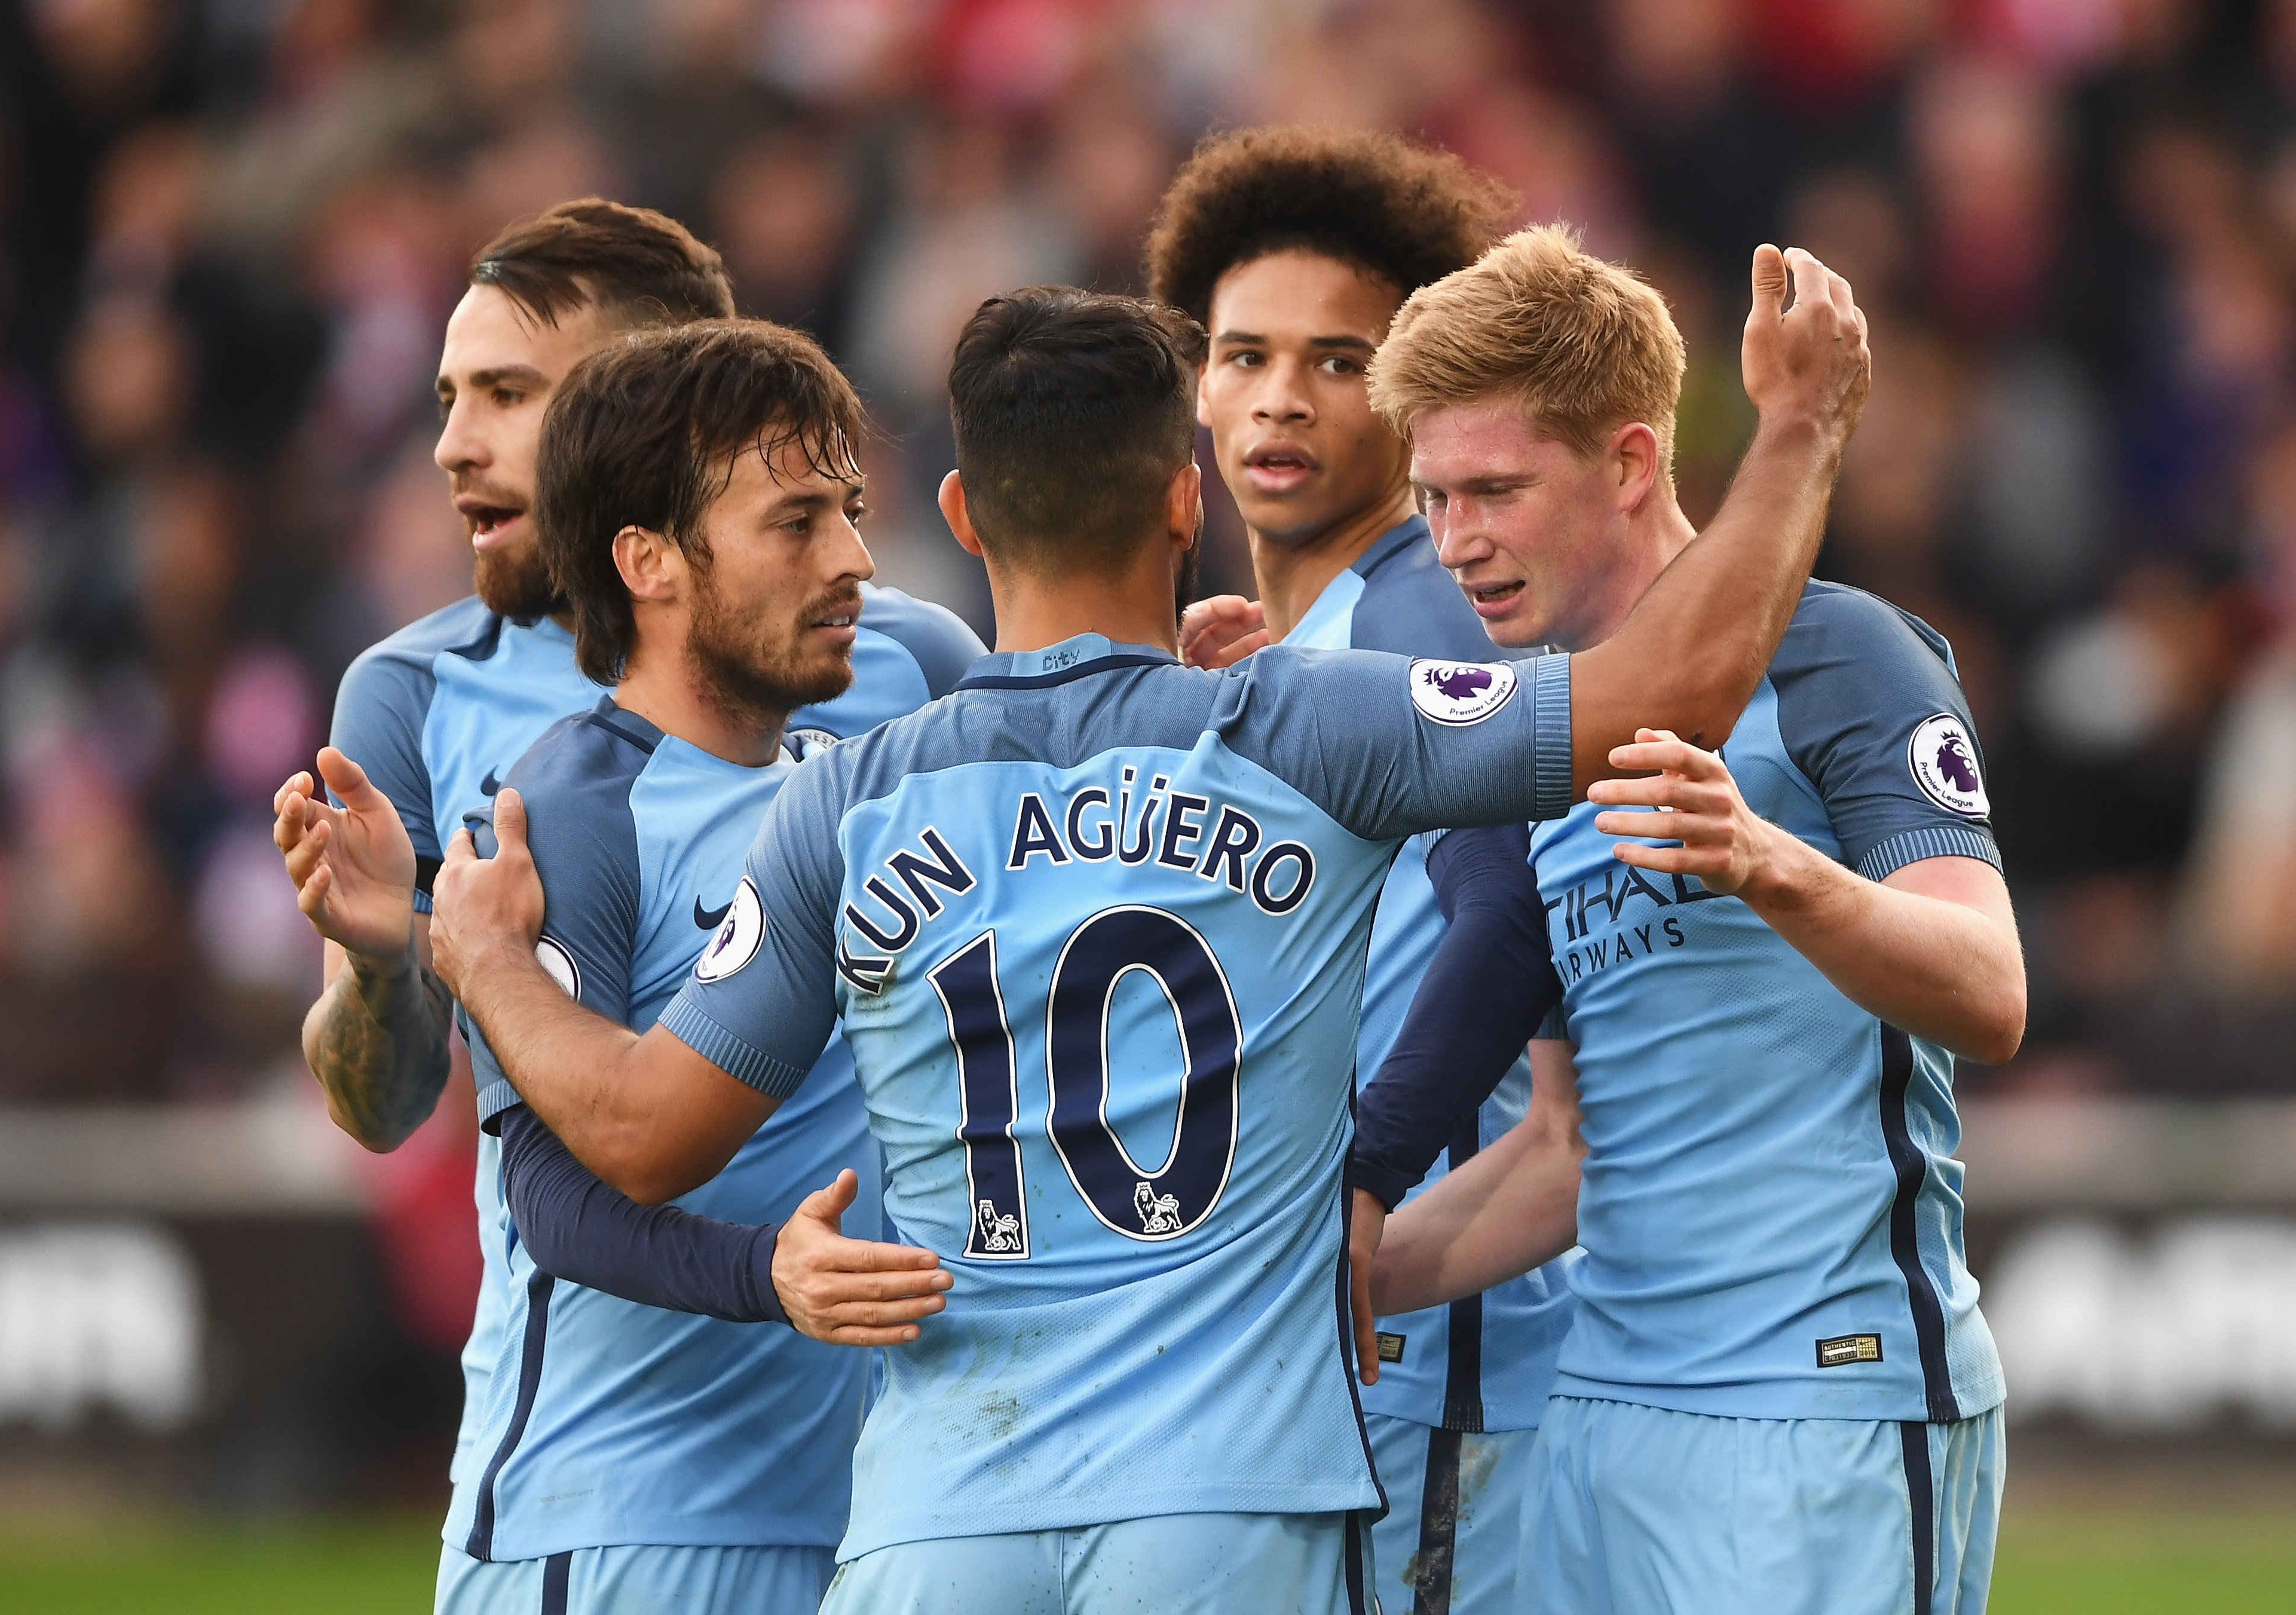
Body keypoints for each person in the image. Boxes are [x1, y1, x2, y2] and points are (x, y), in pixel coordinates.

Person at [428, 262, 1866, 1615]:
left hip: (939, 1519)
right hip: (1227, 1505)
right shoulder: (1306, 727)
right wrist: (1798, 427)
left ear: (964, 515)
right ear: (1187, 500)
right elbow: (1675, 683)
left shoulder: (841, 805)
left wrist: (487, 963)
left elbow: (642, 1133)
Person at [268, 203, 982, 1607]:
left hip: (900, 1481)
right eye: (449, 396)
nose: (454, 443)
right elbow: (386, 1106)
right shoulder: (413, 697)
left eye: (508, 394)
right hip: (613, 1489)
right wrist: (388, 969)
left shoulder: (903, 664)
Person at [1348, 226, 2024, 1615]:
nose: (1455, 542)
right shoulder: (1537, 737)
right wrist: (1331, 1278)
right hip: (1598, 1414)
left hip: (1819, 1401)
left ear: (1630, 462)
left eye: (1495, 491)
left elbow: (1988, 987)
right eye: (1432, 497)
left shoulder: (1841, 652)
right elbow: (1563, 1152)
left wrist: (1769, 865)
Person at [427, 317, 960, 1615]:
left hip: (855, 1515)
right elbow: (548, 1201)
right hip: (618, 1530)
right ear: (649, 561)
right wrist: (766, 1273)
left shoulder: (853, 788)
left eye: (848, 513)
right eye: (796, 522)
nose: (853, 560)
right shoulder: (569, 811)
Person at [1144, 125, 1577, 1615]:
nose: (1281, 396)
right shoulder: (1307, 641)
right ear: (1198, 385)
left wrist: (1362, 1181)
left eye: (1339, 361)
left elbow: (1510, 914)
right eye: (1245, 355)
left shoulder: (1419, 615)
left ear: (1414, 396)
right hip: (1354, 1369)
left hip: (1436, 1365)